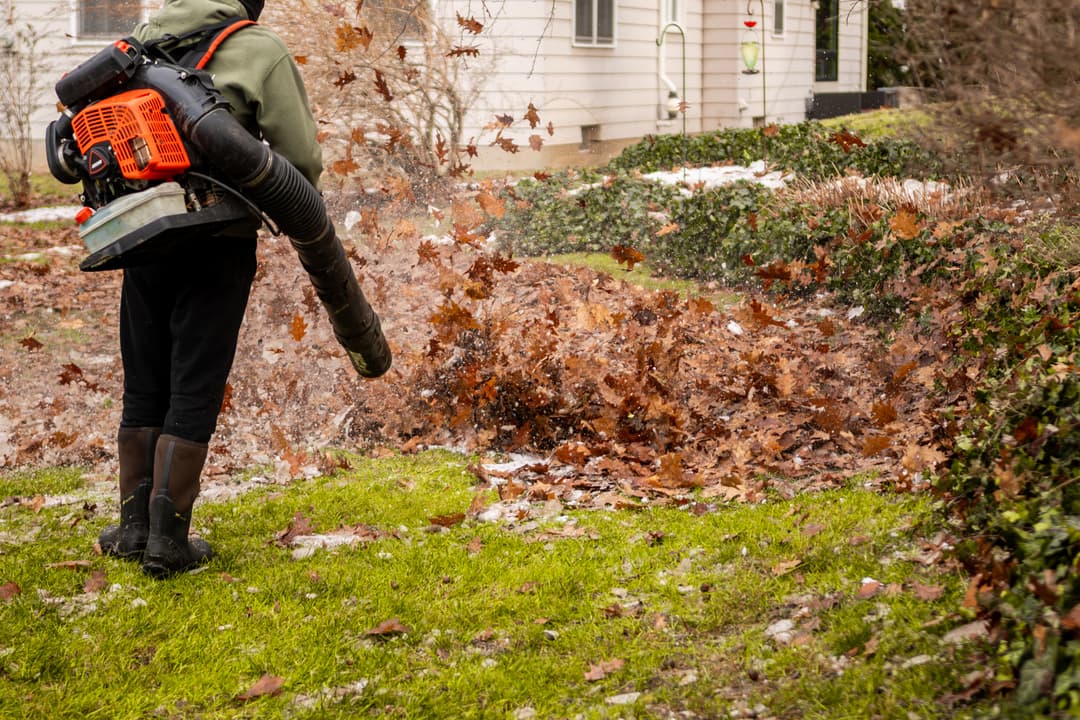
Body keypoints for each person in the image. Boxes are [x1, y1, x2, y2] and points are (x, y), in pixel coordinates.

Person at [95, 0, 323, 577]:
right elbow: (299, 158)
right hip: (218, 237)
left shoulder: (144, 38)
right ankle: (169, 542)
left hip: (143, 230)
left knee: (144, 379)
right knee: (194, 383)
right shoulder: (259, 48)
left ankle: (132, 529)